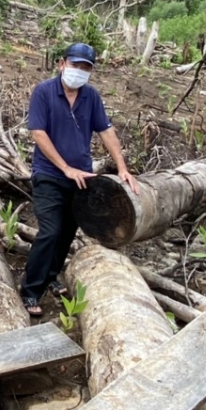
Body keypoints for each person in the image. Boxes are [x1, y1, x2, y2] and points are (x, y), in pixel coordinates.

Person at [21, 42, 140, 316]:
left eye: (85, 68)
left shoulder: (91, 97)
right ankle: (30, 290)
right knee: (50, 230)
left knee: (66, 233)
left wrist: (122, 167)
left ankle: (51, 277)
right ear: (62, 63)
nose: (79, 71)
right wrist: (64, 168)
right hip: (49, 174)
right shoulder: (44, 93)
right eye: (75, 65)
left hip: (82, 177)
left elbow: (106, 131)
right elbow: (38, 133)